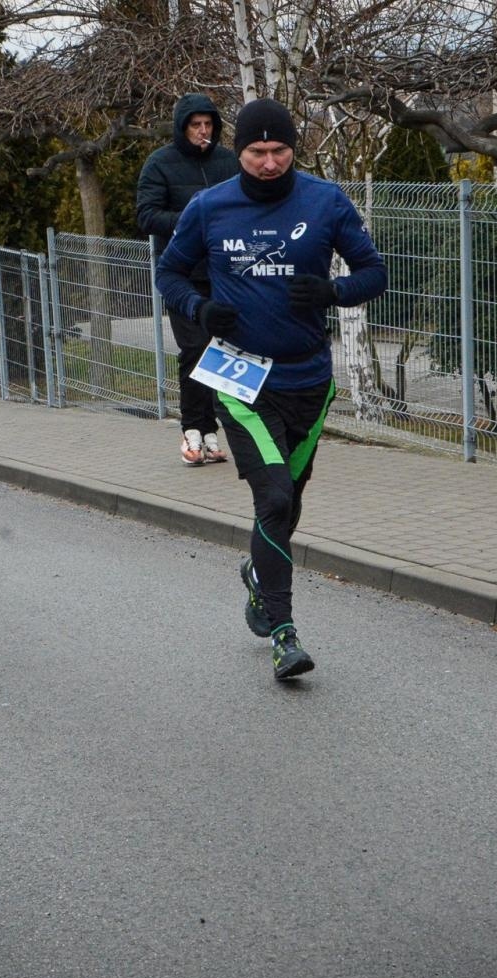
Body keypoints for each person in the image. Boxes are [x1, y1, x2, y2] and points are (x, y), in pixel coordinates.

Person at [155, 98, 387, 681]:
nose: (268, 162)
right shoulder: (210, 207)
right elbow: (169, 272)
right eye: (256, 152)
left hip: (309, 380)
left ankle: (260, 576)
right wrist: (199, 308)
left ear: (293, 150)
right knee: (275, 498)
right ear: (239, 152)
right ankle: (284, 633)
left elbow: (374, 273)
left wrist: (334, 292)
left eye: (279, 150)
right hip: (239, 379)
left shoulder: (326, 201)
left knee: (290, 502)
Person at [137, 93, 240, 466]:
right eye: (196, 125)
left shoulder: (228, 162)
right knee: (195, 349)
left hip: (225, 273)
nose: (203, 131)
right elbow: (147, 215)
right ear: (183, 127)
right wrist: (191, 219)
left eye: (208, 124)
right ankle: (193, 429)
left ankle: (214, 432)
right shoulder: (160, 163)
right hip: (182, 276)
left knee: (225, 351)